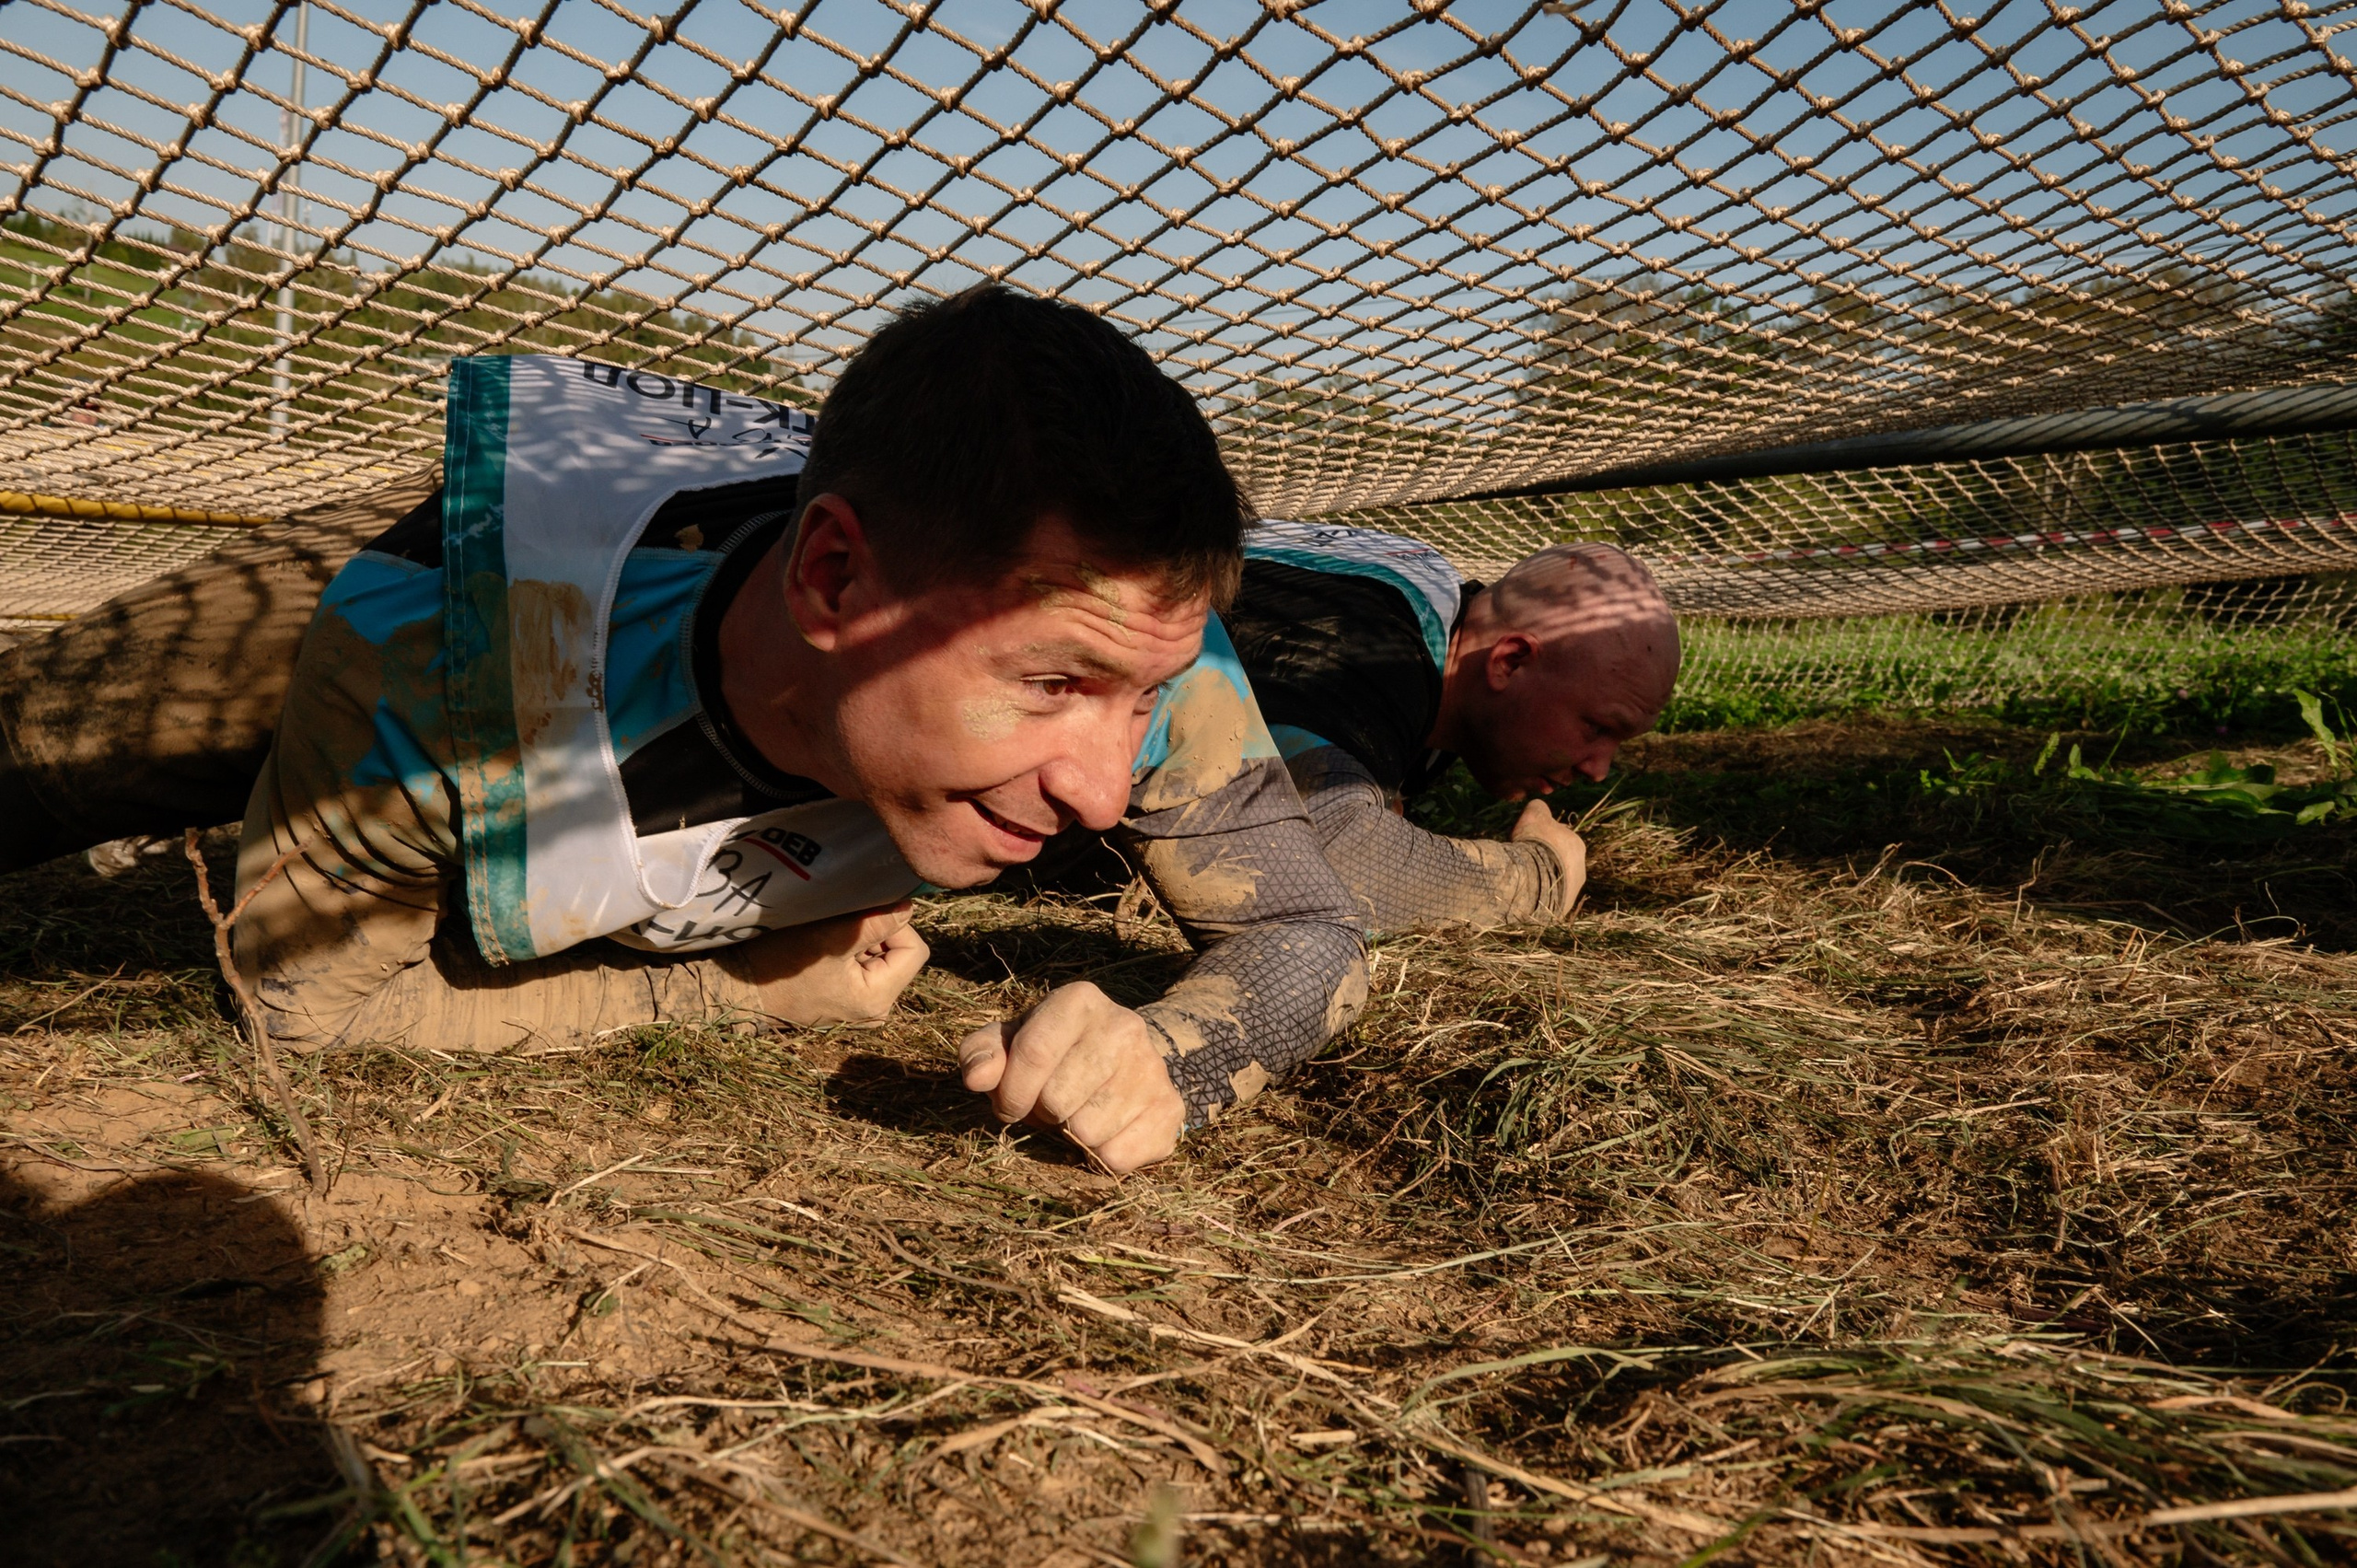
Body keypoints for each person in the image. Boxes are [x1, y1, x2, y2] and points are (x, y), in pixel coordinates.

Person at [6, 286, 1374, 1174]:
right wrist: (738, 990)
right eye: (1053, 685)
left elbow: (1307, 925)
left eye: (1136, 698)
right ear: (836, 584)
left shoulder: (1137, 642)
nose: (1104, 790)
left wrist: (1181, 1056)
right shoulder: (429, 668)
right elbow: (301, 1014)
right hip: (407, 580)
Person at [1220, 520, 1681, 935]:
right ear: (1510, 661)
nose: (1599, 770)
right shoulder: (1369, 650)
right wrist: (1541, 880)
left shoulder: (1441, 632)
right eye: (1597, 727)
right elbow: (1305, 860)